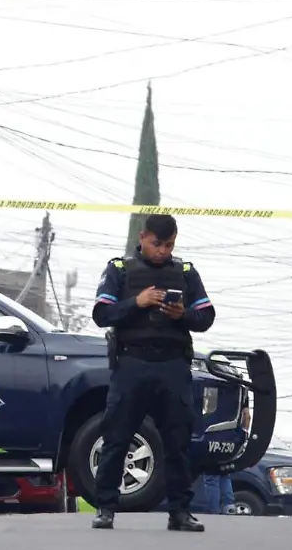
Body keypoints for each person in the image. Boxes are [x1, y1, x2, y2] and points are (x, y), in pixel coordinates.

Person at [89, 214, 216, 532]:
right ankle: (105, 508)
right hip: (132, 364)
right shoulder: (120, 269)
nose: (162, 251)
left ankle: (179, 512)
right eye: (157, 244)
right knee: (117, 437)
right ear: (143, 237)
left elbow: (206, 316)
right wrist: (137, 302)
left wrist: (182, 314)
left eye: (169, 245)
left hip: (172, 366)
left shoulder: (185, 272)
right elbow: (102, 313)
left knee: (178, 441)